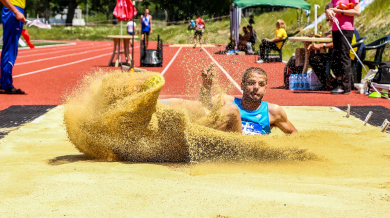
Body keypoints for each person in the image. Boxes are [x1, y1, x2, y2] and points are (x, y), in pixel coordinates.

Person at [159, 66, 298, 135]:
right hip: (221, 145)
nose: (256, 87)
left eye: (261, 85)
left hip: (243, 153)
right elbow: (205, 102)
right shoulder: (228, 100)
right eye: (251, 83)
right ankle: (153, 106)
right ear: (242, 85)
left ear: (265, 88)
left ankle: (191, 136)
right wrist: (207, 86)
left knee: (231, 110)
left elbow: (294, 134)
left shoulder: (273, 111)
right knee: (194, 107)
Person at [308, 3, 359, 90]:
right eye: (327, 20)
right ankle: (331, 81)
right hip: (342, 51)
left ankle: (336, 82)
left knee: (330, 55)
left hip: (348, 53)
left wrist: (321, 45)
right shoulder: (337, 27)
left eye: (329, 19)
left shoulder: (344, 27)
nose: (329, 22)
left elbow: (337, 44)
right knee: (316, 57)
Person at [326, 0, 360, 94]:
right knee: (336, 56)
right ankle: (339, 82)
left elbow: (356, 12)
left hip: (346, 29)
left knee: (343, 55)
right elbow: (331, 8)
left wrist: (340, 11)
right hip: (335, 28)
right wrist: (329, 12)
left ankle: (346, 86)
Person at [0, 0, 27, 94]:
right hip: (12, 10)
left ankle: (5, 83)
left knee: (11, 48)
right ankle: (5, 84)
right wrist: (16, 11)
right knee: (10, 48)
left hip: (15, 10)